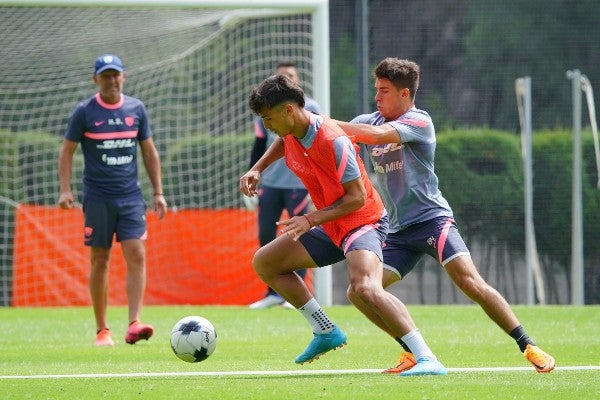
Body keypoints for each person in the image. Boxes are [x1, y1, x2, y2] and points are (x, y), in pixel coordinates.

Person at [334, 57, 555, 373]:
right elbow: (346, 140)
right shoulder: (368, 120)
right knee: (360, 292)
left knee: (470, 282)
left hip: (432, 221)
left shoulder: (419, 121)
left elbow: (376, 137)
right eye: (376, 90)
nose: (377, 97)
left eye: (384, 91)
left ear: (405, 94)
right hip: (396, 231)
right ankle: (413, 352)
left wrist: (325, 122)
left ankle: (528, 345)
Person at [240, 73, 446, 374]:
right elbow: (284, 142)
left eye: (269, 119)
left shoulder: (332, 140)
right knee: (266, 263)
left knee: (365, 288)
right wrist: (257, 168)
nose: (267, 127)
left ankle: (427, 358)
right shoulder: (291, 131)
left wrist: (309, 220)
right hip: (331, 224)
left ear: (288, 111)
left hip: (364, 222)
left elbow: (357, 198)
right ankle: (325, 331)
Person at [58, 54, 167, 347]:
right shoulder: (84, 111)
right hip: (97, 197)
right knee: (100, 259)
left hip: (130, 196)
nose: (111, 80)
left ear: (124, 77)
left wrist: (158, 192)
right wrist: (66, 190)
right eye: (105, 75)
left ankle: (134, 323)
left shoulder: (136, 109)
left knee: (137, 254)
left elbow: (149, 152)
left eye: (115, 74)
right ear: (95, 79)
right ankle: (102, 330)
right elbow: (66, 151)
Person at [245, 60, 322, 309]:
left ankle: (298, 293)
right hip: (271, 185)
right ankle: (273, 293)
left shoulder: (310, 108)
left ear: (297, 80)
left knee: (298, 235)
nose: (286, 78)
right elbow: (260, 145)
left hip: (298, 184)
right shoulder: (267, 111)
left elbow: (319, 146)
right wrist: (252, 172)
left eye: (290, 75)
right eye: (281, 76)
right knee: (266, 234)